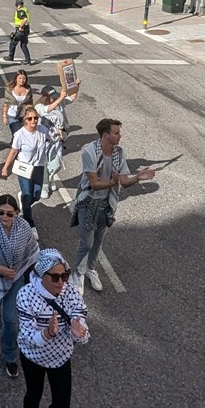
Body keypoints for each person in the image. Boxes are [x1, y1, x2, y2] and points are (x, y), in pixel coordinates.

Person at [15, 250, 89, 408]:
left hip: (61, 357)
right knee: (33, 396)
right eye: (55, 277)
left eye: (64, 275)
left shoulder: (71, 293)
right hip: (33, 357)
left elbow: (82, 325)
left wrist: (80, 332)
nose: (61, 282)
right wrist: (47, 333)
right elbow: (27, 335)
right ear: (40, 276)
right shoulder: (26, 295)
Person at [73, 118, 157, 293]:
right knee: (86, 242)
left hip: (106, 204)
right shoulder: (89, 152)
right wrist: (113, 182)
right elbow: (94, 183)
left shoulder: (118, 153)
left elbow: (124, 181)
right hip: (88, 203)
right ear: (105, 135)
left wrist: (137, 178)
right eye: (116, 133)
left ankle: (90, 269)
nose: (120, 136)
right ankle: (78, 273)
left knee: (98, 241)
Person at [0, 194, 38, 379]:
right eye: (1, 212)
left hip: (16, 276)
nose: (4, 217)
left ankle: (10, 355)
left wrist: (30, 280)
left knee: (11, 319)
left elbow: (32, 253)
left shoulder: (24, 228)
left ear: (16, 213)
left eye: (9, 214)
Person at [1, 104, 49, 226]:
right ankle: (29, 223)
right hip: (24, 167)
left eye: (35, 118)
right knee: (27, 198)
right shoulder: (20, 135)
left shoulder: (43, 130)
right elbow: (13, 152)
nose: (33, 121)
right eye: (30, 118)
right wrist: (5, 168)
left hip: (38, 166)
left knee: (37, 195)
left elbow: (50, 139)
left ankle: (24, 198)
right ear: (24, 120)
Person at [35, 82, 78, 199]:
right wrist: (60, 98)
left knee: (56, 163)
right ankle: (44, 186)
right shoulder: (38, 107)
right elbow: (47, 109)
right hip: (44, 140)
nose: (55, 98)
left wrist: (76, 86)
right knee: (44, 163)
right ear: (46, 97)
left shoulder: (59, 104)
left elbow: (72, 97)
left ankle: (51, 177)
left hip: (57, 139)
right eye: (52, 96)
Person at [2, 69, 34, 136]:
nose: (22, 80)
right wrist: (4, 116)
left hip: (24, 115)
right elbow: (6, 103)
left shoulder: (28, 89)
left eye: (24, 78)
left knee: (24, 134)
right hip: (12, 115)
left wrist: (31, 112)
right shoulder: (10, 89)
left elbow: (30, 102)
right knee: (17, 133)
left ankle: (14, 143)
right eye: (19, 78)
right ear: (16, 78)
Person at [7, 0, 32, 64]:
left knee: (13, 42)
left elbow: (25, 19)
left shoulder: (20, 11)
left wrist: (21, 26)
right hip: (26, 29)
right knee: (23, 45)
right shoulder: (24, 9)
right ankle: (28, 60)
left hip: (21, 30)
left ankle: (10, 57)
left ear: (17, 4)